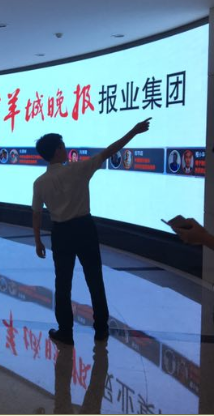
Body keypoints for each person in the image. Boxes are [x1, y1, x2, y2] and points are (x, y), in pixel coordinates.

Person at [32, 118, 151, 345]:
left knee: (62, 283)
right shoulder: (78, 169)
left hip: (61, 233)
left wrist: (38, 241)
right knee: (94, 278)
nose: (65, 148)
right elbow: (110, 150)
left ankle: (65, 331)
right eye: (63, 146)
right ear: (57, 150)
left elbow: (36, 214)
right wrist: (134, 131)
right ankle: (101, 329)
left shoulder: (40, 183)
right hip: (84, 228)